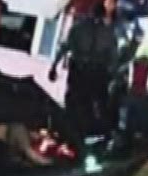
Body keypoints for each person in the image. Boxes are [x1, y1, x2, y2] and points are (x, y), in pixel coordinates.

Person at [51, 10, 121, 142]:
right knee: (93, 102)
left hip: (86, 71)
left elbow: (64, 47)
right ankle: (86, 132)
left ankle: (80, 131)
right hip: (92, 72)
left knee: (83, 102)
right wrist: (113, 73)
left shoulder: (80, 29)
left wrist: (54, 66)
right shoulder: (106, 33)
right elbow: (113, 58)